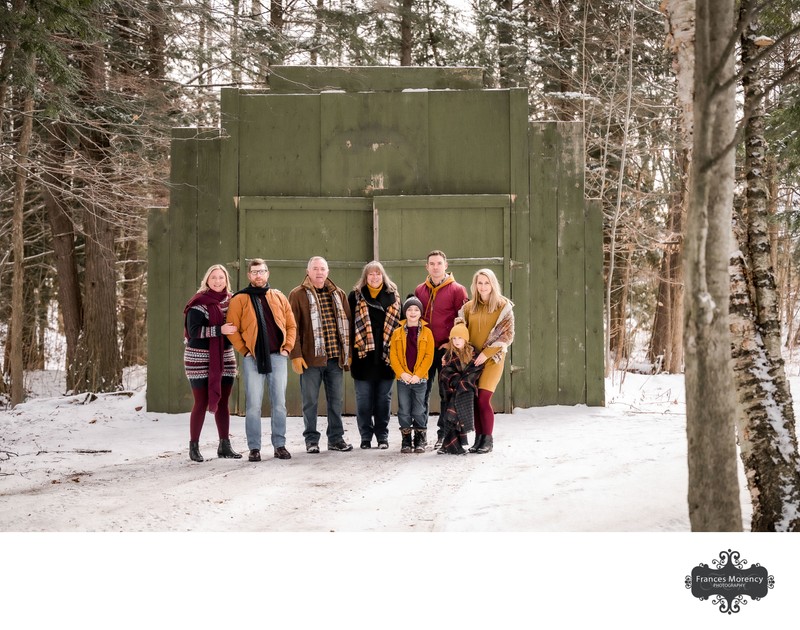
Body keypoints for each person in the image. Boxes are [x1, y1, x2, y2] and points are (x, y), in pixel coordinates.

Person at [226, 258, 297, 462]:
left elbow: (291, 325)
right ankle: (254, 448)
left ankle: (280, 445)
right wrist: (244, 351)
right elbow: (232, 328)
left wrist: (287, 348)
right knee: (253, 405)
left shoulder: (279, 297)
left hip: (277, 357)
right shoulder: (240, 299)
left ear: (268, 274)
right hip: (253, 358)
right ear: (249, 275)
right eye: (255, 272)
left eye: (262, 271)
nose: (259, 275)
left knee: (279, 404)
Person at [289, 256, 354, 453]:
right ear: (308, 271)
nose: (319, 272)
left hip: (334, 358)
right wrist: (296, 355)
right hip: (310, 359)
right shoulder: (297, 294)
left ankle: (336, 438)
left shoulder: (338, 294)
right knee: (310, 401)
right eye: (315, 268)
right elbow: (292, 327)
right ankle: (311, 440)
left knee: (336, 401)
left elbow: (348, 325)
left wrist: (348, 352)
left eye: (322, 268)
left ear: (328, 272)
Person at [183, 264, 241, 462]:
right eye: (214, 277)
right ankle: (194, 446)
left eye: (221, 278)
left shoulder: (232, 301)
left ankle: (224, 445)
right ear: (207, 280)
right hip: (198, 357)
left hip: (225, 356)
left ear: (226, 280)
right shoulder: (198, 302)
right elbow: (193, 332)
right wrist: (219, 330)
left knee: (224, 402)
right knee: (201, 401)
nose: (218, 281)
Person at [457, 268, 515, 454]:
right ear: (475, 285)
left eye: (486, 283)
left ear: (492, 284)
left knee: (483, 399)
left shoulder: (502, 306)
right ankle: (478, 439)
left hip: (493, 359)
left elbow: (508, 334)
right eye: (479, 283)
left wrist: (487, 353)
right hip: (472, 359)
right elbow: (460, 331)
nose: (483, 286)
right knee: (474, 399)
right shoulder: (468, 307)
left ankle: (488, 439)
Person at [414, 250, 468, 449]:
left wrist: (451, 344)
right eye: (431, 263)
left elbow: (463, 322)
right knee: (422, 392)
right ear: (426, 267)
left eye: (439, 263)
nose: (435, 267)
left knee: (447, 393)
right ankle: (420, 434)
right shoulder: (420, 290)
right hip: (425, 350)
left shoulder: (457, 290)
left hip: (447, 351)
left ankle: (443, 434)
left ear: (446, 265)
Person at [348, 261, 402, 449]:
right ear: (365, 277)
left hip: (386, 356)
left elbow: (400, 327)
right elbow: (349, 327)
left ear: (383, 276)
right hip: (363, 356)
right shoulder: (355, 296)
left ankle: (382, 436)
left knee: (383, 400)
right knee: (363, 400)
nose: (374, 277)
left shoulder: (393, 296)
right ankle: (365, 436)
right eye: (371, 274)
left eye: (378, 274)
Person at [389, 296, 435, 453]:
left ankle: (420, 437)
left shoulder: (427, 333)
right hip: (403, 379)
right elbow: (393, 356)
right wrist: (402, 373)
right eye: (409, 309)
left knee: (418, 409)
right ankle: (406, 439)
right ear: (405, 312)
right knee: (404, 409)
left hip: (420, 379)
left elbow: (429, 356)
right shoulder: (397, 333)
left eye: (416, 309)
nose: (413, 312)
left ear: (421, 313)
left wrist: (418, 374)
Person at [437, 323, 484, 455]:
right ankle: (449, 444)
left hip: (466, 389)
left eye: (460, 338)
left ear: (466, 339)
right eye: (454, 338)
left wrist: (461, 382)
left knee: (455, 412)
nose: (457, 341)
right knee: (449, 411)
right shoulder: (448, 355)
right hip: (451, 389)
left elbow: (474, 372)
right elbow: (445, 373)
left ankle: (451, 444)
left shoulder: (474, 354)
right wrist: (455, 379)